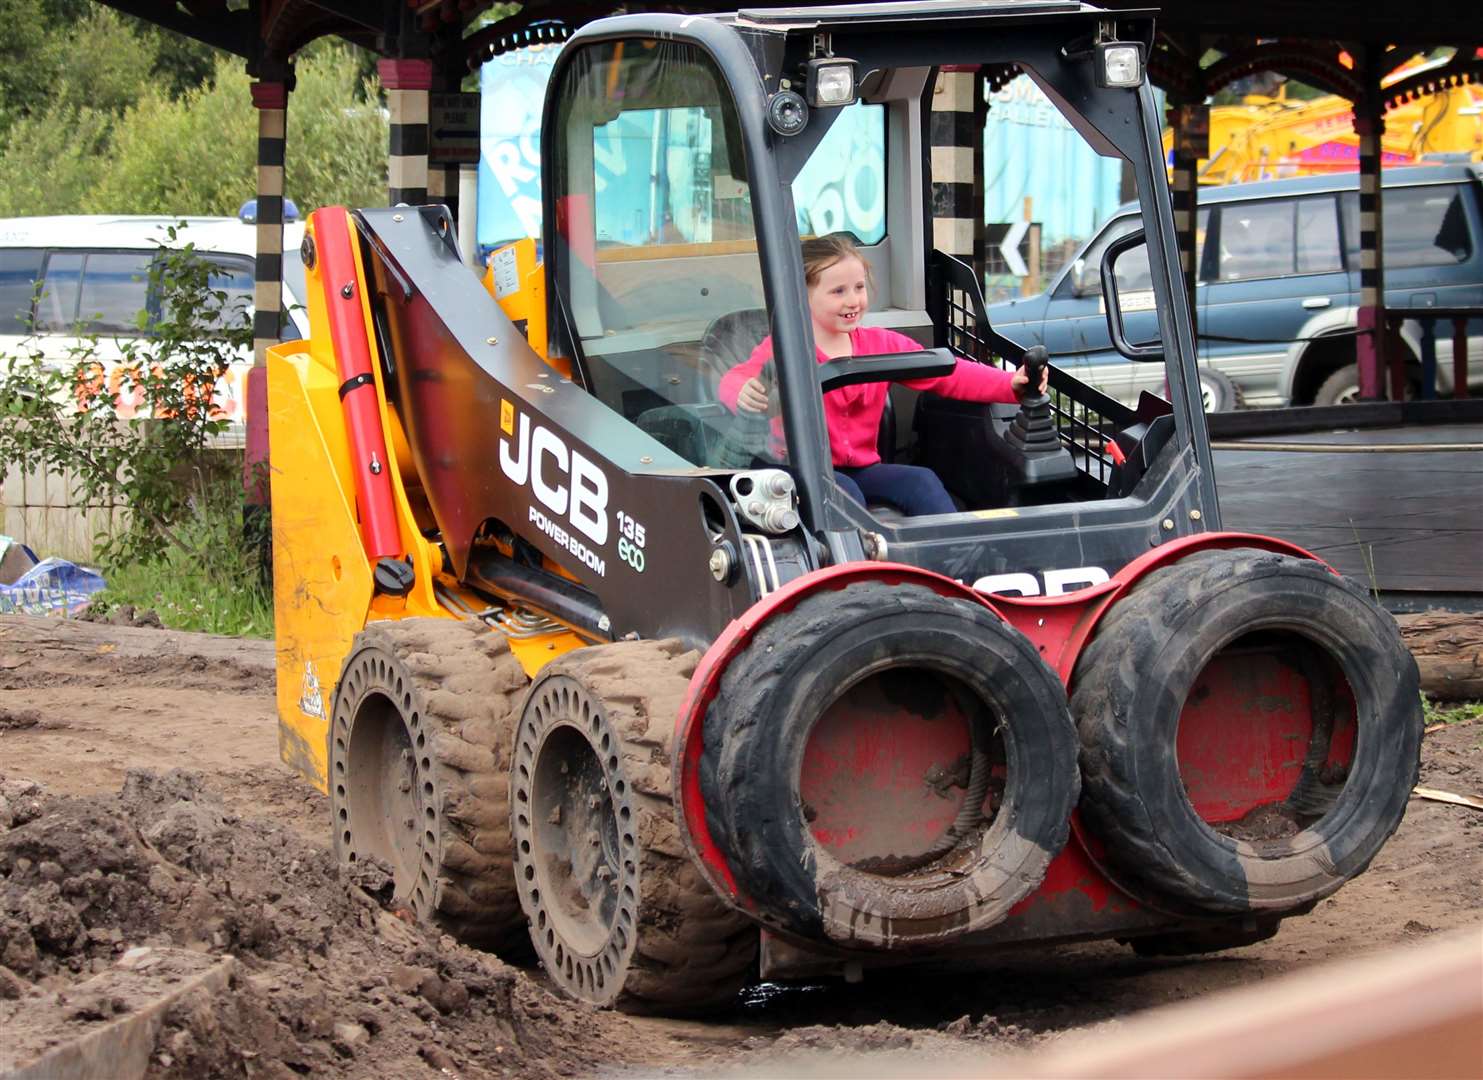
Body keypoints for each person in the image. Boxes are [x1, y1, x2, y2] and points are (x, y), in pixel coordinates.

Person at [717, 233, 1047, 516]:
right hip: (802, 471)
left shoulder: (880, 343)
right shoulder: (784, 346)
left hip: (863, 468)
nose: (854, 300)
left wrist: (1010, 385)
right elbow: (734, 380)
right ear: (801, 296)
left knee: (922, 482)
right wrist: (743, 390)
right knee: (845, 495)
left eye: (859, 287)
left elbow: (947, 373)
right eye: (838, 291)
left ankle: (953, 572)